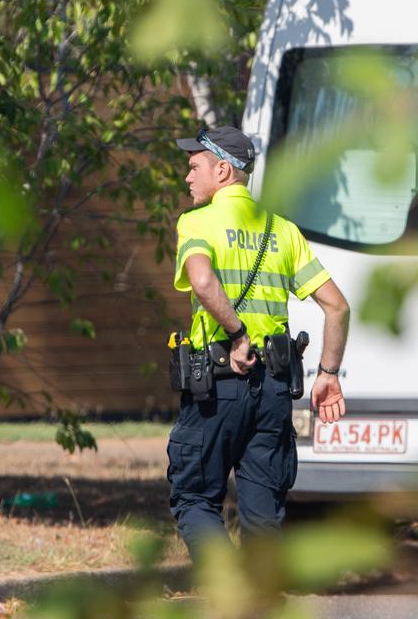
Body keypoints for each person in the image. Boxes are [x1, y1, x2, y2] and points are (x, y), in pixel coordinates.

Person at [167, 126, 349, 564]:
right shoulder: (282, 230)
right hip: (272, 391)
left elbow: (202, 279)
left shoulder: (197, 222)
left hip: (218, 388)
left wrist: (236, 335)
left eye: (194, 167)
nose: (187, 178)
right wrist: (328, 376)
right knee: (263, 512)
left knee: (194, 498)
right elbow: (337, 308)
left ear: (222, 170)